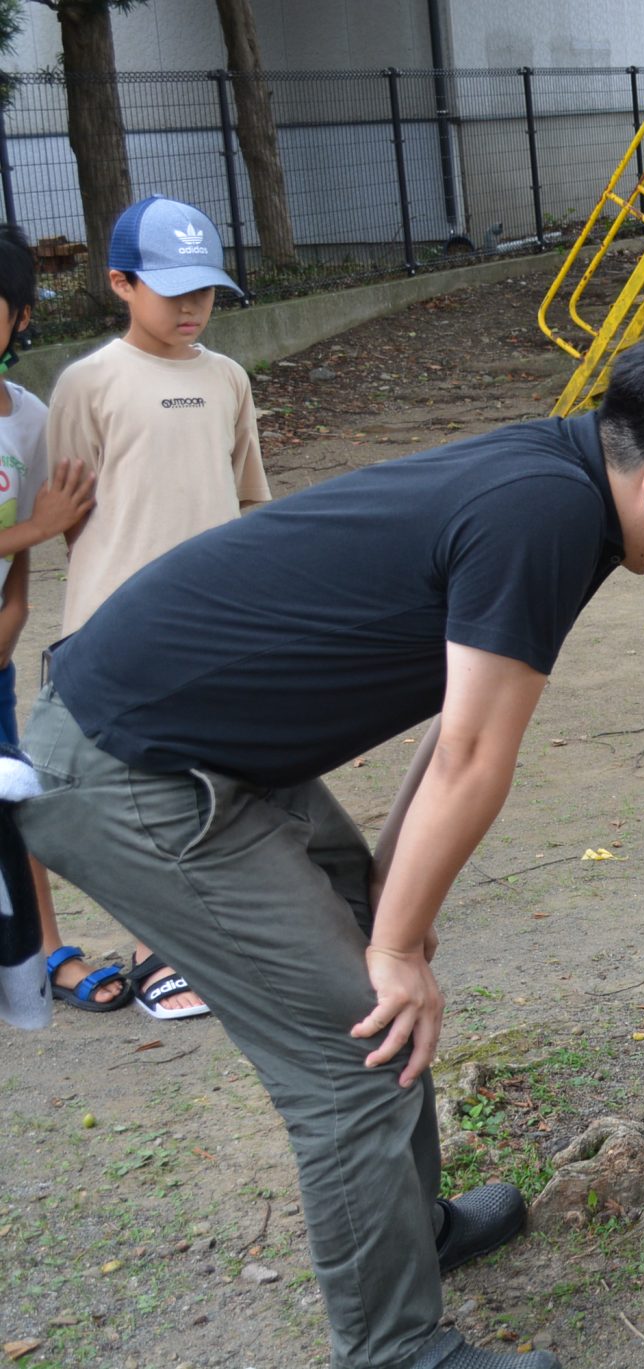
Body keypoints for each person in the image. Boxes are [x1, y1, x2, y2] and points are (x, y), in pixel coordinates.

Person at [13, 318, 644, 1368]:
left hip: (202, 743)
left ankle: (407, 1228)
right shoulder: (546, 515)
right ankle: (394, 1350)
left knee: (371, 941)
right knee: (356, 1040)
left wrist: (395, 903)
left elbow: (455, 718)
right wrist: (391, 948)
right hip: (129, 769)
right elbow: (476, 755)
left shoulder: (564, 479)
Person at [41, 194, 271, 1023]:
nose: (192, 306)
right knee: (135, 795)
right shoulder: (89, 382)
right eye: (172, 289)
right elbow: (67, 513)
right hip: (118, 625)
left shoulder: (227, 379)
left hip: (216, 621)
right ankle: (153, 955)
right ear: (120, 283)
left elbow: (245, 497)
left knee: (213, 785)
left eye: (205, 289)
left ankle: (211, 944)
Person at [0, 224, 106, 1021]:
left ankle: (40, 954)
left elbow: (40, 521)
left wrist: (18, 607)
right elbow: (33, 525)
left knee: (16, 795)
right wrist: (33, 534)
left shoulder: (27, 419)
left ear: (20, 317)